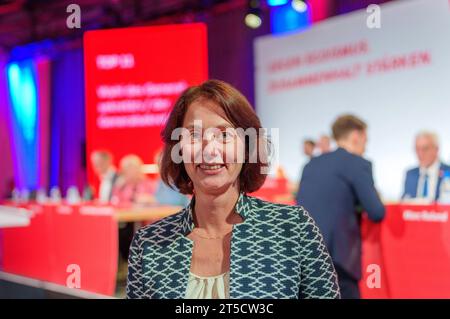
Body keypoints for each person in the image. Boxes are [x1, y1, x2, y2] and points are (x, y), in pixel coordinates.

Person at [126, 80, 340, 299]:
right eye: (194, 135)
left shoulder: (293, 228)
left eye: (225, 135)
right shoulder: (149, 243)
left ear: (248, 147)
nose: (209, 150)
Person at [296, 114, 385, 299]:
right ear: (356, 136)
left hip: (304, 258)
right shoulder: (357, 164)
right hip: (339, 261)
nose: (365, 147)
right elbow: (376, 212)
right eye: (365, 141)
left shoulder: (310, 165)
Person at [402, 131, 450, 202]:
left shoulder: (448, 171)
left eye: (425, 149)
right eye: (417, 149)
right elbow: (404, 200)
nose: (420, 154)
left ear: (436, 149)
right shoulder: (410, 174)